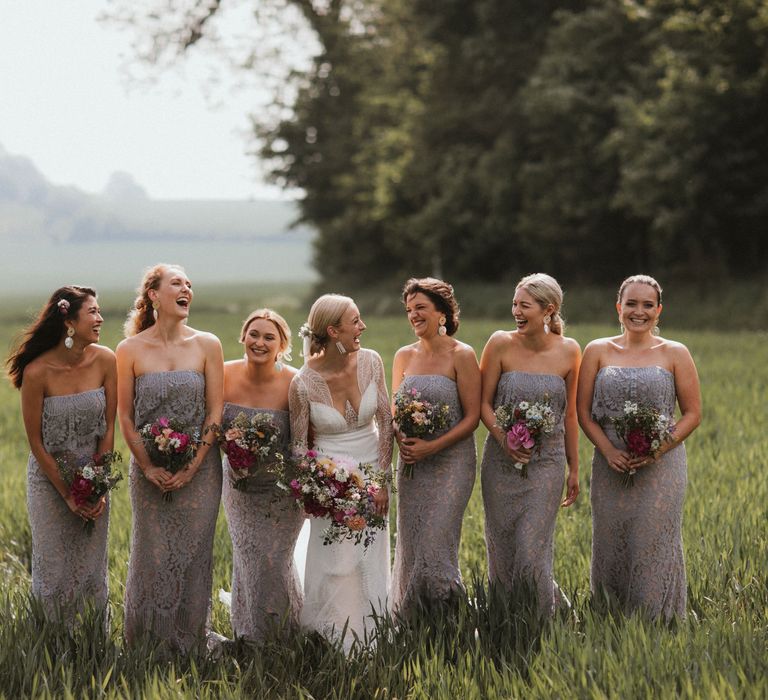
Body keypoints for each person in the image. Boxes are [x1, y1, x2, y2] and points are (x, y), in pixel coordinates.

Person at [577, 274, 701, 620]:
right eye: (631, 303)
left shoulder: (675, 353)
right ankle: (610, 618)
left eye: (648, 305)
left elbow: (692, 413)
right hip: (609, 462)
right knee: (611, 540)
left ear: (659, 311)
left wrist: (658, 450)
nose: (639, 311)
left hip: (661, 466)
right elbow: (583, 413)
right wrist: (608, 450)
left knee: (652, 540)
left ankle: (657, 620)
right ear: (619, 307)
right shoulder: (597, 350)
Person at [117, 264, 224, 653]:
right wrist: (147, 466)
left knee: (195, 553)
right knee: (153, 552)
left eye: (189, 284)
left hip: (202, 471)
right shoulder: (128, 350)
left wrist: (194, 465)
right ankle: (146, 641)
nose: (186, 290)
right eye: (177, 283)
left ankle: (190, 639)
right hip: (148, 471)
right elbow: (126, 417)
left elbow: (215, 413)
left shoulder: (208, 344)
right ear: (153, 295)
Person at [289, 294, 392, 651]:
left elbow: (386, 421)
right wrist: (317, 491)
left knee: (368, 558)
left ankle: (372, 637)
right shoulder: (302, 383)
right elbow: (300, 446)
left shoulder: (372, 362)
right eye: (356, 321)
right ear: (333, 331)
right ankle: (331, 638)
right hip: (330, 482)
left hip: (372, 474)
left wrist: (381, 484)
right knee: (336, 561)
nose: (362, 327)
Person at [6, 286, 116, 621]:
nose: (99, 319)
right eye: (93, 312)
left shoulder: (106, 359)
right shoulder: (37, 372)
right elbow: (36, 442)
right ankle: (52, 638)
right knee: (53, 565)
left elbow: (108, 429)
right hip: (49, 478)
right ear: (69, 321)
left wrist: (98, 486)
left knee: (91, 563)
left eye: (99, 311)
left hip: (93, 474)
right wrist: (68, 494)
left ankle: (92, 637)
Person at [478, 273, 580, 615]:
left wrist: (574, 468)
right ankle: (506, 619)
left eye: (524, 305)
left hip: (546, 463)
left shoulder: (570, 350)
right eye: (514, 304)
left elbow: (569, 416)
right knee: (503, 545)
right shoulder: (499, 343)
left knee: (531, 547)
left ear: (548, 310)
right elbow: (483, 404)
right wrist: (503, 439)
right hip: (500, 462)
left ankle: (541, 621)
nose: (516, 311)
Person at [390, 278, 480, 615]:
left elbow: (472, 418)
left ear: (442, 312)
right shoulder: (403, 355)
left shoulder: (463, 355)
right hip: (413, 465)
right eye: (409, 310)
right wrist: (402, 436)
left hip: (452, 464)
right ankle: (412, 619)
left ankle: (451, 618)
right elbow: (396, 411)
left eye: (421, 308)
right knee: (412, 545)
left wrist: (433, 447)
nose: (413, 315)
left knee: (436, 544)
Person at [220, 308, 304, 643]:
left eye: (269, 337)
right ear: (243, 337)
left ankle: (286, 632)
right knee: (249, 558)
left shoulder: (294, 382)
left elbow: (302, 439)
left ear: (282, 345)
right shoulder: (223, 374)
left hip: (281, 491)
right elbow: (212, 428)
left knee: (273, 560)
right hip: (239, 488)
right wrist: (231, 452)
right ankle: (249, 635)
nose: (260, 342)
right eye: (254, 334)